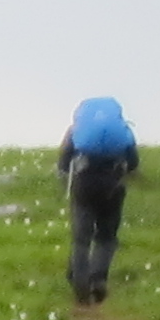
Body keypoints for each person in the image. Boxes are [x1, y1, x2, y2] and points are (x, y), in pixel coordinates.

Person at [56, 96, 140, 306]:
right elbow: (133, 162)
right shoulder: (124, 131)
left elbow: (64, 161)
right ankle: (98, 279)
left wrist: (68, 173)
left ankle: (80, 285)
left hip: (84, 185)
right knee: (106, 237)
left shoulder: (76, 130)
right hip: (113, 186)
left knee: (81, 239)